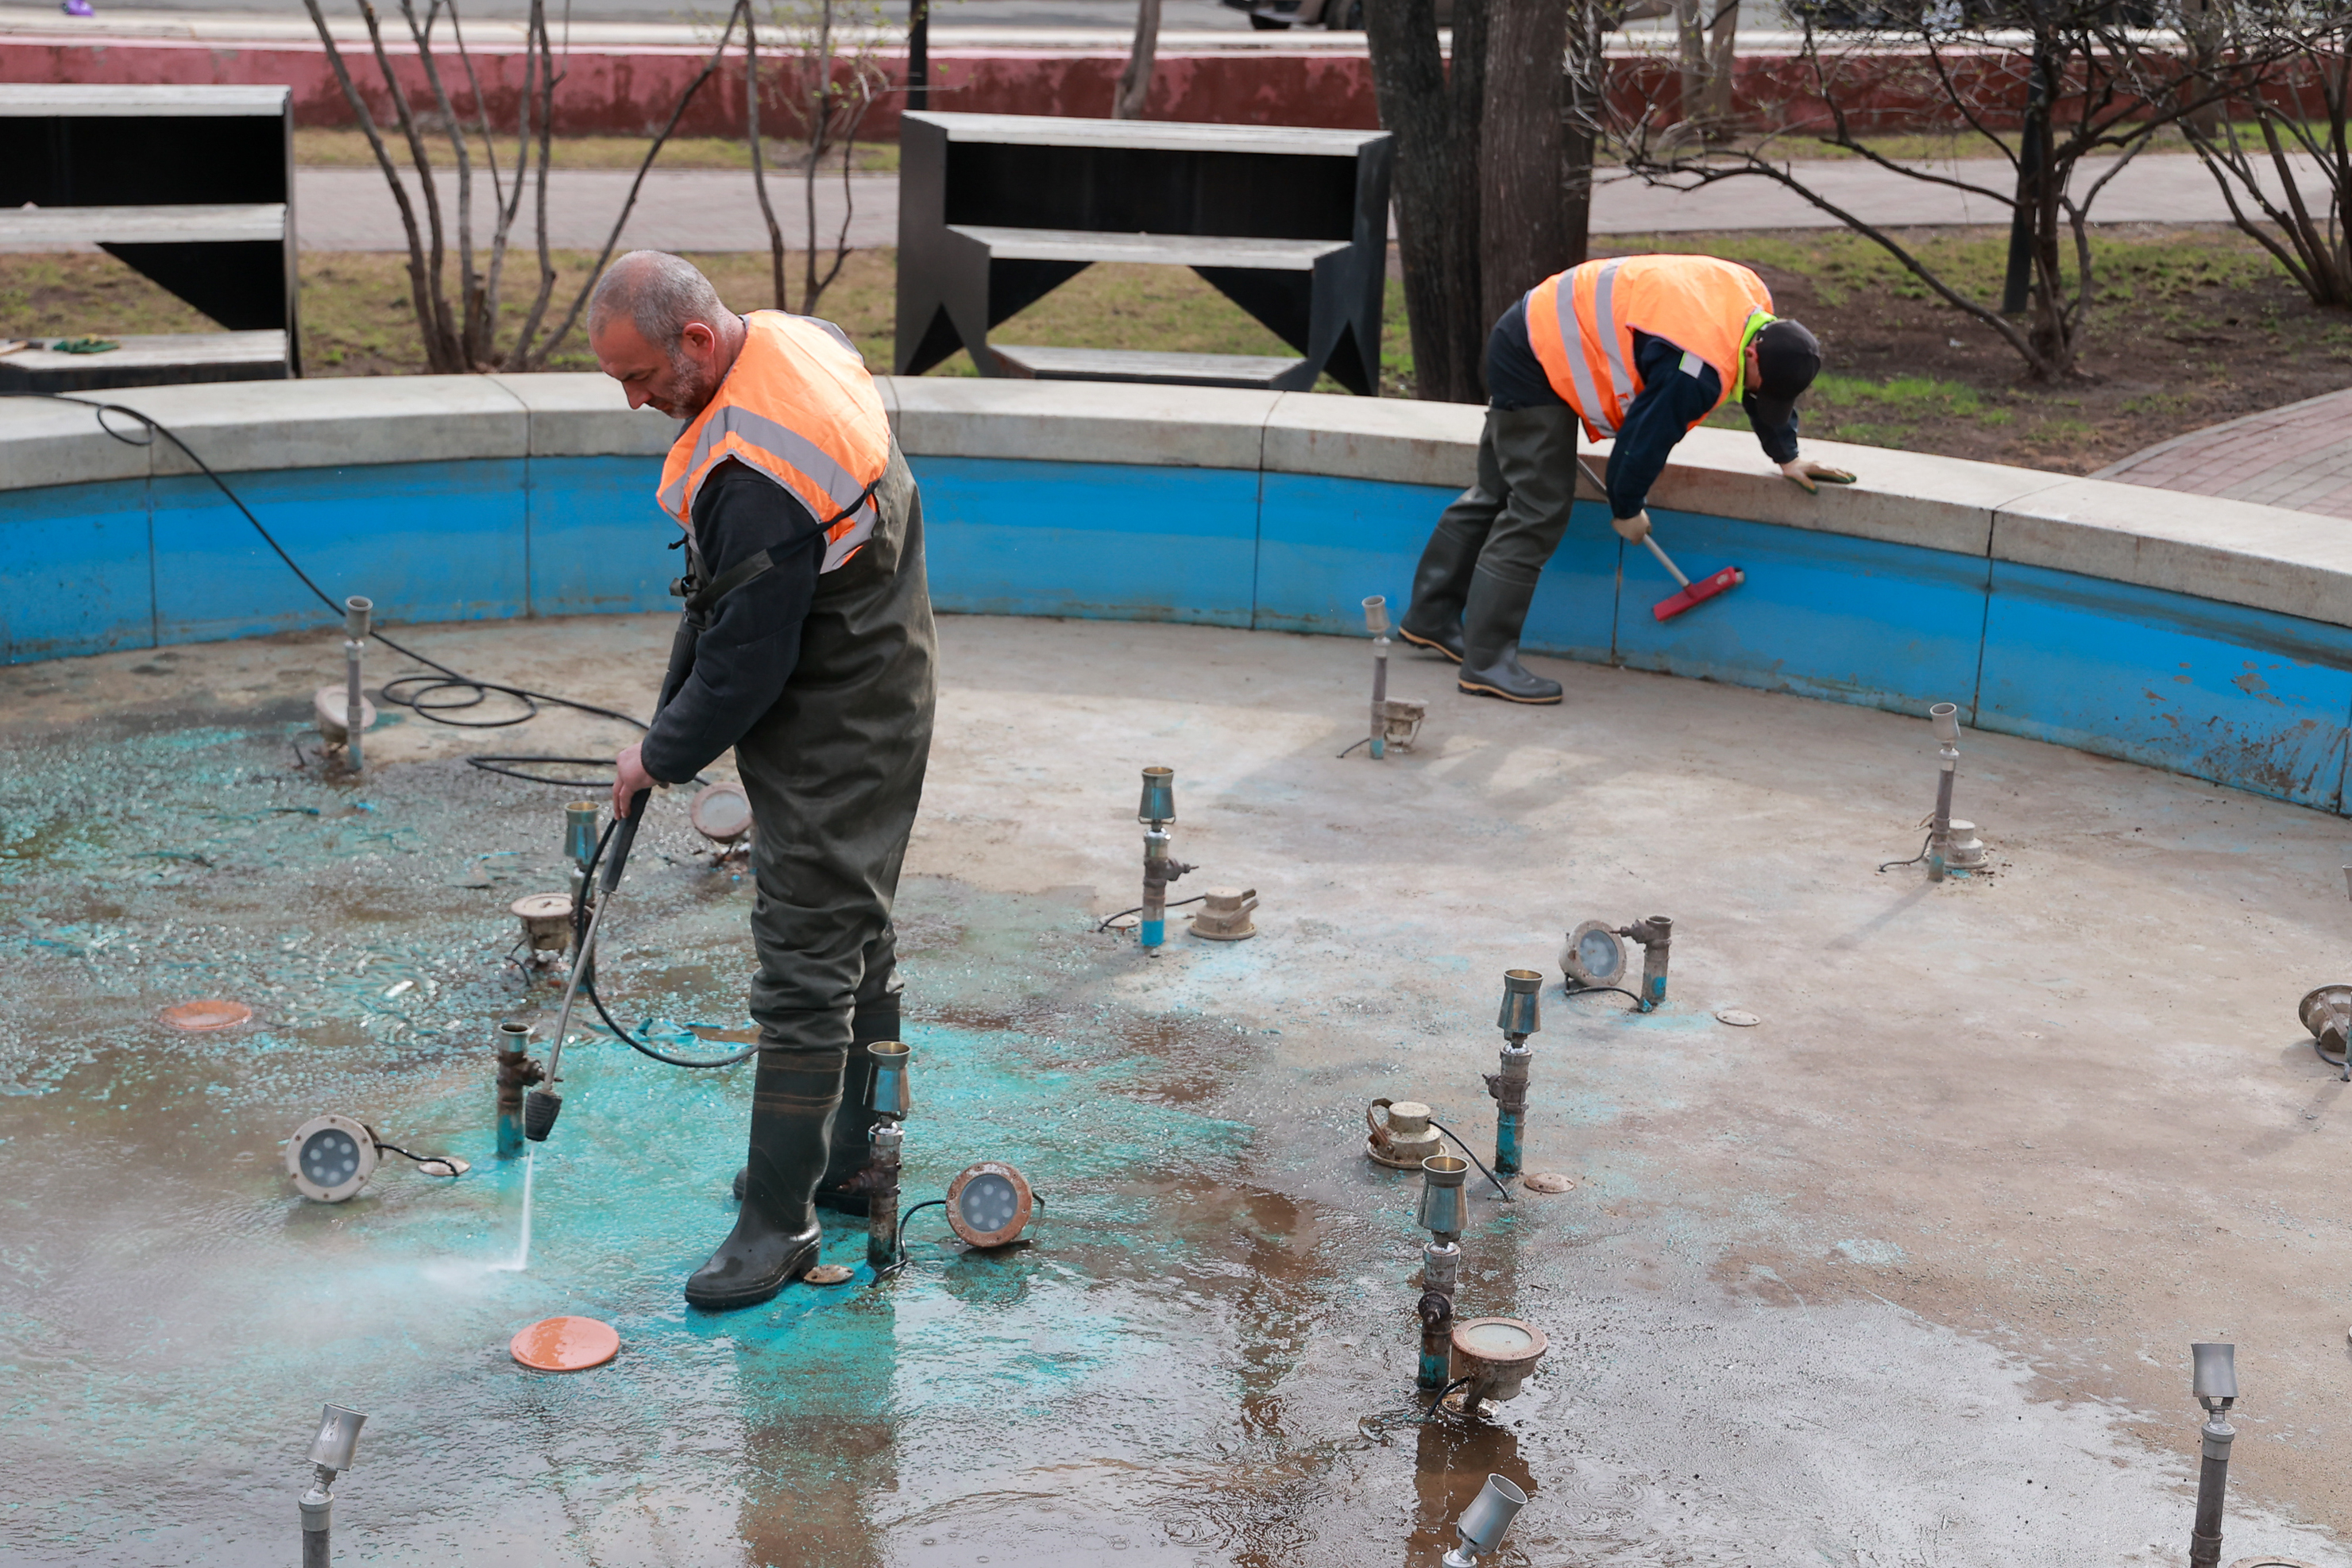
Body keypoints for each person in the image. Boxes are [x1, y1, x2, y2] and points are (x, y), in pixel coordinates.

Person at [589, 251, 937, 1311]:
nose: (635, 400)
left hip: (839, 722)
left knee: (806, 956)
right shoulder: (793, 338)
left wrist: (656, 756)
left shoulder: (753, 474)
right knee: (855, 924)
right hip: (877, 670)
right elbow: (733, 609)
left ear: (698, 339)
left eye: (642, 376)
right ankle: (850, 1159)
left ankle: (779, 1223)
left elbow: (741, 665)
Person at [1399, 253, 1856, 704]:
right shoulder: (1694, 369)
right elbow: (1641, 442)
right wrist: (1627, 507)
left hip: (1533, 324)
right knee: (1538, 510)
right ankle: (1486, 665)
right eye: (1759, 385)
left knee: (1495, 491)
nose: (1755, 395)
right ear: (1754, 351)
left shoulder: (1751, 301)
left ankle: (1430, 617)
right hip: (1537, 355)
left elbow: (1753, 384)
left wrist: (1787, 456)